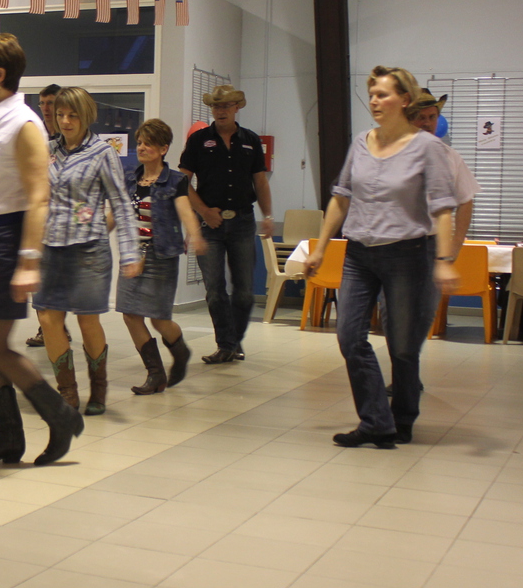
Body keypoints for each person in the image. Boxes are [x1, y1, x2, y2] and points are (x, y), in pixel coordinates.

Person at [304, 66, 459, 447]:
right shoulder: (362, 142)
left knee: (403, 346)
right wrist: (321, 248)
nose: (374, 101)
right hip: (359, 253)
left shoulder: (427, 147)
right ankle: (376, 420)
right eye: (371, 94)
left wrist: (444, 260)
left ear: (404, 99)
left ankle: (402, 418)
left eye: (382, 94)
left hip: (408, 253)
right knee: (349, 336)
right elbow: (341, 197)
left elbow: (442, 208)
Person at [0, 33, 84, 467]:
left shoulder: (23, 124)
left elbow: (39, 197)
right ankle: (8, 437)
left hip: (3, 241)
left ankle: (60, 415)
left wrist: (28, 261)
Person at [35, 86, 141, 416]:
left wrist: (130, 253)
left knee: (87, 320)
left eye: (73, 115)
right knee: (47, 318)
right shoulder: (47, 150)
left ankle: (99, 387)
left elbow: (121, 204)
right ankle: (67, 391)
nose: (65, 121)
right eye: (60, 115)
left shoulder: (102, 152)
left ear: (86, 116)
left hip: (89, 250)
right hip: (50, 248)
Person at [179, 84, 273, 365]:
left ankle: (233, 341)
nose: (220, 111)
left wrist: (268, 216)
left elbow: (260, 181)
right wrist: (203, 211)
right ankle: (226, 344)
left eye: (225, 106)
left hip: (243, 221)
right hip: (210, 224)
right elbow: (183, 181)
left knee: (244, 292)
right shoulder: (199, 141)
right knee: (215, 289)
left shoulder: (250, 140)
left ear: (237, 108)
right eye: (215, 106)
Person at [119, 120, 206, 395]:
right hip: (132, 255)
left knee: (158, 319)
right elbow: (118, 212)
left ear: (163, 149)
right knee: (130, 315)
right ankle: (155, 374)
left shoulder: (175, 180)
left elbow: (185, 211)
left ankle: (180, 352)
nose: (141, 147)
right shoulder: (130, 178)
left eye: (148, 143)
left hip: (160, 256)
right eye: (139, 142)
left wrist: (196, 235)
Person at [409, 92, 477, 254]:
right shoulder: (392, 154)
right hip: (395, 243)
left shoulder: (451, 156)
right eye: (421, 117)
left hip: (432, 243)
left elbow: (466, 201)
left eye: (432, 117)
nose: (427, 123)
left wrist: (456, 244)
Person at [27, 83, 63, 349]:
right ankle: (48, 328)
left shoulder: (69, 138)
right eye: (43, 103)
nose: (46, 108)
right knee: (40, 279)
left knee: (58, 281)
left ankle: (56, 327)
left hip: (64, 219)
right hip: (39, 217)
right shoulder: (36, 135)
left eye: (51, 103)